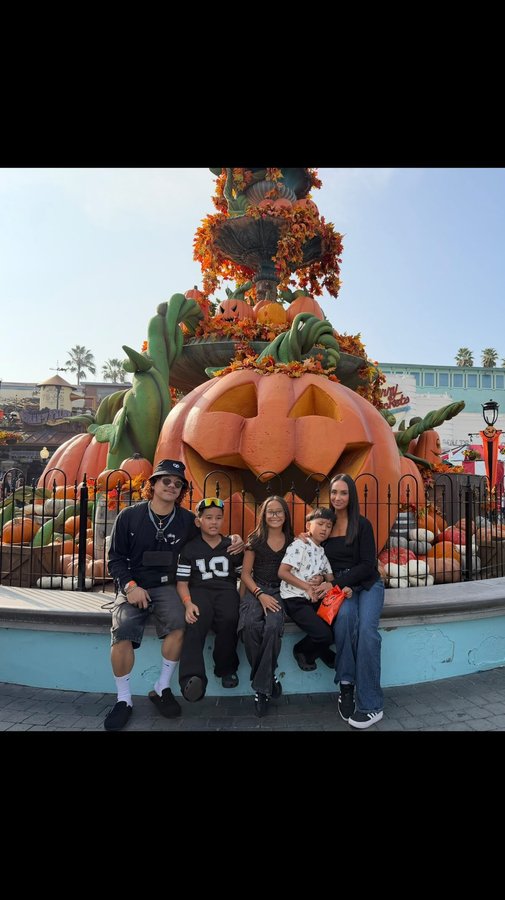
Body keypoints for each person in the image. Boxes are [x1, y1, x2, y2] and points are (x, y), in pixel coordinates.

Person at [105, 461, 243, 731]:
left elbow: (210, 534)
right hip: (134, 585)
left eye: (177, 483)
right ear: (153, 484)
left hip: (167, 586)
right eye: (166, 480)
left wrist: (234, 539)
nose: (171, 486)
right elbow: (115, 559)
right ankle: (123, 699)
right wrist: (131, 587)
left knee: (180, 625)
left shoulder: (185, 520)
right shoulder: (129, 517)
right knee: (122, 632)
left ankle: (162, 687)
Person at [314, 473, 385, 729]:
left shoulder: (362, 525)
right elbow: (311, 547)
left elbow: (368, 565)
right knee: (344, 621)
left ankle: (371, 704)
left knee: (367, 631)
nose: (338, 498)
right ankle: (346, 685)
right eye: (334, 493)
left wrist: (335, 584)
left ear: (351, 496)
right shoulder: (326, 525)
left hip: (366, 584)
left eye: (343, 493)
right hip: (341, 589)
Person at [176, 497, 243, 702]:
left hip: (226, 591)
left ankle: (226, 668)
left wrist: (241, 599)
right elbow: (182, 582)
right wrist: (188, 604)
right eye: (208, 518)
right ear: (198, 522)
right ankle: (192, 677)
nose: (213, 522)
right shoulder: (189, 549)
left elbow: (244, 576)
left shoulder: (231, 546)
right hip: (200, 591)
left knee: (230, 619)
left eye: (218, 518)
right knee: (195, 621)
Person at [238, 495, 293, 717]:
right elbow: (245, 574)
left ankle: (261, 688)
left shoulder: (293, 541)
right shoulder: (255, 541)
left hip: (280, 591)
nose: (275, 515)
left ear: (285, 514)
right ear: (263, 515)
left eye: (279, 511)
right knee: (250, 625)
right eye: (270, 511)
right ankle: (269, 678)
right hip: (256, 589)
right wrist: (259, 595)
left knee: (272, 627)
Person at [278, 507, 342, 672]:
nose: (324, 529)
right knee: (323, 634)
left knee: (338, 629)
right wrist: (308, 587)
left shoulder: (322, 552)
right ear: (308, 526)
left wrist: (321, 580)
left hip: (313, 600)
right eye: (320, 524)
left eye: (328, 526)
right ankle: (302, 651)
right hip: (295, 599)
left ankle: (321, 652)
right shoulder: (300, 545)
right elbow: (282, 572)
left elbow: (331, 580)